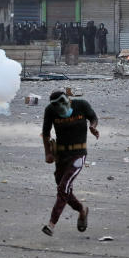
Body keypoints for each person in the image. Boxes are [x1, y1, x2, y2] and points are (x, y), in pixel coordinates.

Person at [40, 91, 98, 237]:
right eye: (57, 105)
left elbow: (93, 117)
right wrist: (48, 153)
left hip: (78, 154)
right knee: (62, 188)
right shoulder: (50, 110)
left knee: (64, 186)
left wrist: (93, 126)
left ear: (69, 100)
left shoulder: (81, 105)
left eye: (62, 103)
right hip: (61, 155)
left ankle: (51, 224)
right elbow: (46, 133)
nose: (60, 107)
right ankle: (81, 210)